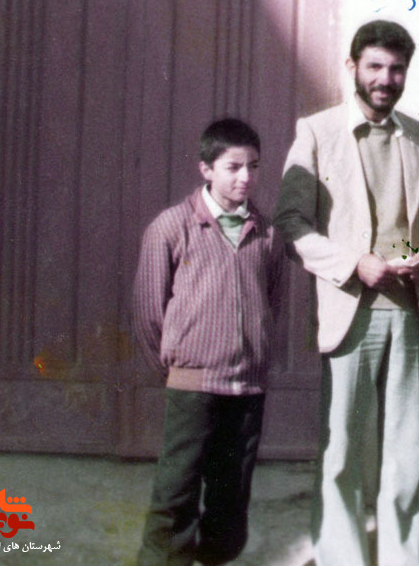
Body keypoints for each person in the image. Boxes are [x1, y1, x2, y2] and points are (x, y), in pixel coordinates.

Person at [274, 19, 419, 566]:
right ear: (352, 67)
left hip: (411, 312)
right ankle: (343, 557)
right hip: (350, 311)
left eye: (396, 69)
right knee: (343, 449)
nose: (385, 79)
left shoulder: (416, 134)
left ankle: (400, 557)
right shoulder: (316, 132)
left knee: (407, 449)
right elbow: (291, 226)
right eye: (374, 66)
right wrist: (353, 264)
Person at [132, 118, 285, 565]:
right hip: (192, 387)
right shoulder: (172, 227)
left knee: (230, 495)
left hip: (247, 387)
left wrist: (253, 351)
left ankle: (216, 559)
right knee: (177, 489)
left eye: (253, 166)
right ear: (206, 169)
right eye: (233, 167)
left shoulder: (267, 233)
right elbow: (148, 313)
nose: (245, 177)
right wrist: (180, 369)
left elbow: (272, 300)